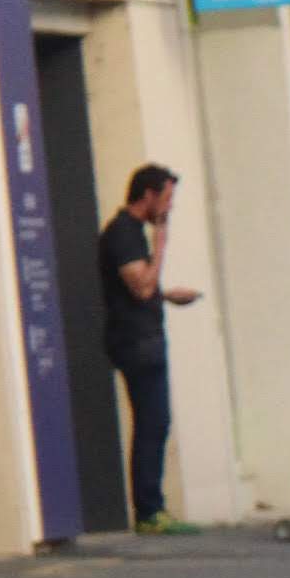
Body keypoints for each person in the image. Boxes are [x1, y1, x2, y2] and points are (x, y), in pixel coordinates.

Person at [98, 163, 201, 531]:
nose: (170, 207)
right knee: (151, 422)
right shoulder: (124, 233)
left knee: (156, 422)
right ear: (149, 195)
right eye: (167, 198)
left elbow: (142, 289)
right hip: (135, 341)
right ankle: (148, 510)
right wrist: (161, 245)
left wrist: (166, 294)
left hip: (145, 335)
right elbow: (140, 286)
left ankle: (152, 506)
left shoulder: (130, 233)